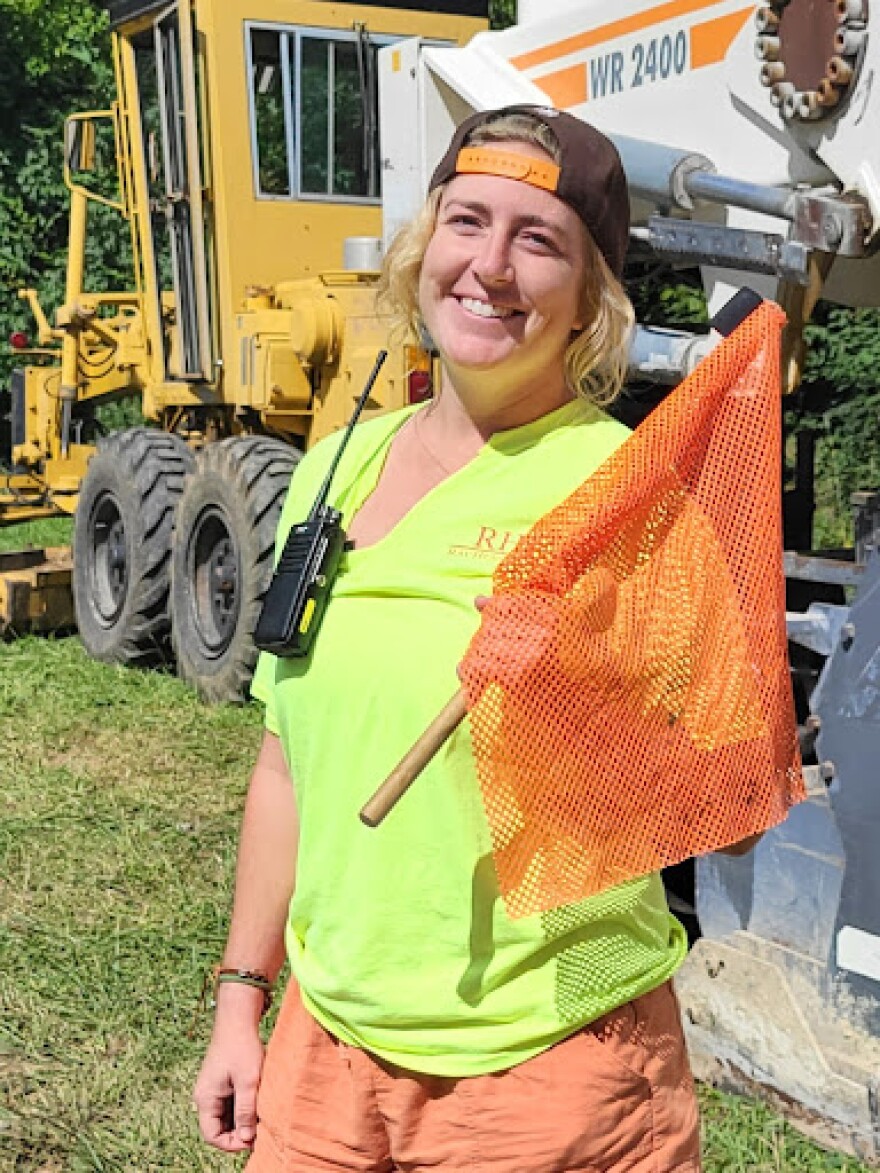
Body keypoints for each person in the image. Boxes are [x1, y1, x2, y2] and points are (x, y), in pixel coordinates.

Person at [194, 104, 715, 1172]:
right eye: (466, 221)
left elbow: (722, 809)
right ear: (421, 245)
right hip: (322, 1045)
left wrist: (575, 706)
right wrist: (242, 1003)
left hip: (548, 1069)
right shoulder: (336, 466)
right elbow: (292, 763)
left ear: (589, 302)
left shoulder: (631, 496)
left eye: (539, 241)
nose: (489, 266)